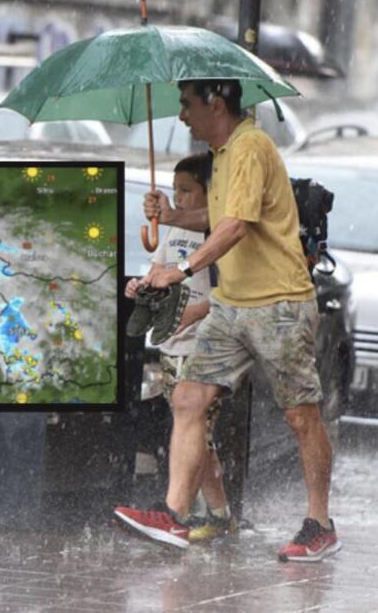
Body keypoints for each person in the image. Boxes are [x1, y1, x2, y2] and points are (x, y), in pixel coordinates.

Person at [114, 79, 340, 562]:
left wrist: (183, 268)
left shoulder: (251, 147)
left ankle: (320, 523)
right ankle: (175, 515)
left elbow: (237, 226)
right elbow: (219, 219)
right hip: (231, 304)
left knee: (302, 415)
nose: (181, 117)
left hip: (278, 303)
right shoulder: (221, 155)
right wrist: (173, 215)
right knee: (189, 397)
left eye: (186, 105)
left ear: (215, 103)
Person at [124, 153, 235, 542]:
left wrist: (195, 312)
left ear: (212, 193)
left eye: (188, 191)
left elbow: (232, 295)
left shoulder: (218, 234)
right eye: (176, 191)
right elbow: (159, 269)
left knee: (195, 428)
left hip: (204, 347)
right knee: (195, 434)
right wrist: (140, 284)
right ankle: (219, 514)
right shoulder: (171, 229)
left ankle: (178, 515)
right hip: (172, 345)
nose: (179, 199)